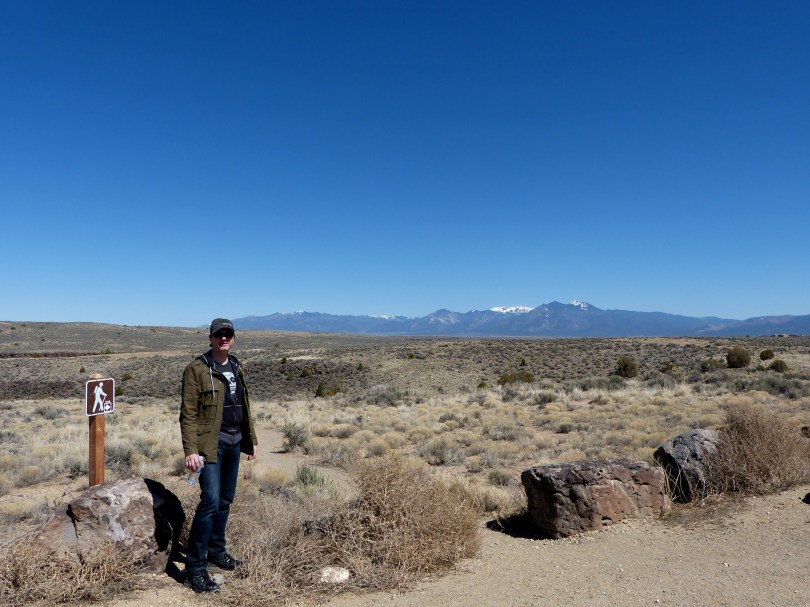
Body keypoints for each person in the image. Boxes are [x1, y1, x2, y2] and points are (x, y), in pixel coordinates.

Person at [180, 318, 258, 593]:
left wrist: (251, 439)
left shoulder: (236, 365)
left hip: (234, 442)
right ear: (211, 338)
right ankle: (194, 568)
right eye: (219, 334)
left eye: (228, 334)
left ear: (233, 338)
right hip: (209, 446)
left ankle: (217, 552)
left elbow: (244, 405)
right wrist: (191, 450)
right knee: (210, 501)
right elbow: (188, 413)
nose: (224, 338)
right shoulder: (197, 369)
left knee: (225, 500)